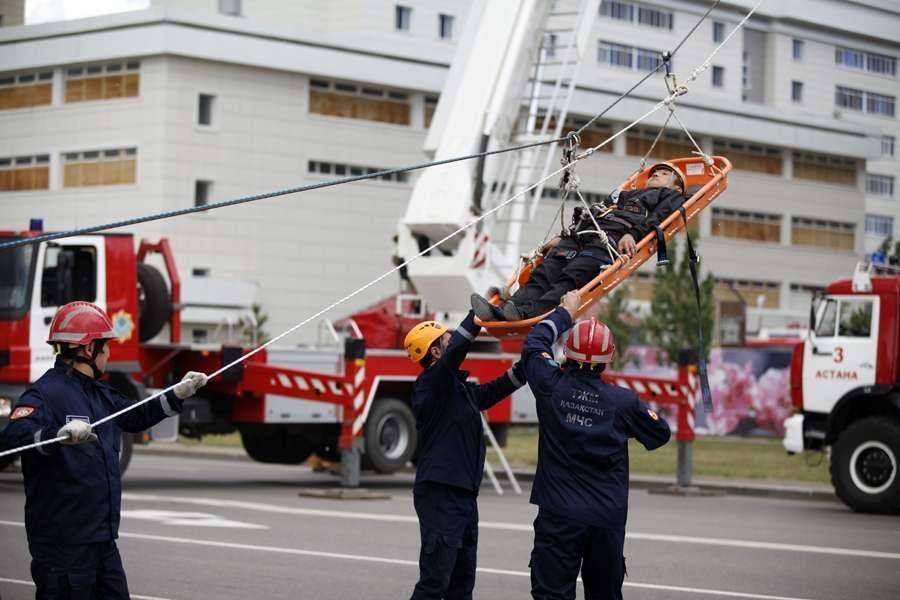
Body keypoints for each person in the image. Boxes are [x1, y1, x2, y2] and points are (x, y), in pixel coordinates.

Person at [0, 301, 208, 600]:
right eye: (105, 346)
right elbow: (14, 436)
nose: (109, 353)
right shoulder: (44, 393)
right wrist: (55, 437)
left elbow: (137, 415)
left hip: (102, 543)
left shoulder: (101, 394)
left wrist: (177, 393)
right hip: (63, 548)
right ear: (87, 349)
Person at [521, 291, 671, 600]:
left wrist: (566, 311)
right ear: (609, 358)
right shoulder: (623, 402)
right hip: (606, 519)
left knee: (552, 594)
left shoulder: (551, 386)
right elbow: (660, 434)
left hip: (559, 516)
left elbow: (534, 343)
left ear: (567, 353)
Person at [404, 313, 526, 599]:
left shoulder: (457, 389)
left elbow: (490, 392)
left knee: (461, 584)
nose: (453, 344)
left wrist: (524, 370)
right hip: (441, 494)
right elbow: (456, 352)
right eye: (447, 341)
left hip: (463, 495)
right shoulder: (431, 384)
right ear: (435, 351)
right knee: (435, 582)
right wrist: (476, 319)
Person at [471, 161, 686, 321]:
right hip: (580, 237)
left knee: (568, 281)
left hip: (608, 242)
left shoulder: (669, 197)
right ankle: (504, 309)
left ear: (676, 187)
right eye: (654, 172)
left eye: (664, 173)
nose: (656, 174)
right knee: (543, 275)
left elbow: (660, 219)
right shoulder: (624, 196)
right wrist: (563, 237)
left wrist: (634, 235)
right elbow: (593, 214)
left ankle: (524, 313)